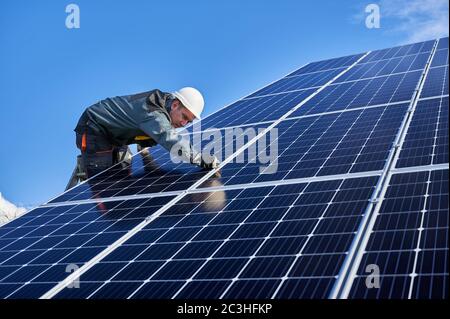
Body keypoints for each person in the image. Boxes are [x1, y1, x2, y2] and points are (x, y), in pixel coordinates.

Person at [74, 87, 220, 178]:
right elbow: (170, 139)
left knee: (123, 173)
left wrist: (144, 146)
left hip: (117, 136)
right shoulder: (154, 113)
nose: (184, 123)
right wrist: (201, 159)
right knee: (104, 181)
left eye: (189, 121)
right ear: (175, 105)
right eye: (184, 117)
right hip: (94, 127)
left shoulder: (165, 105)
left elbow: (152, 129)